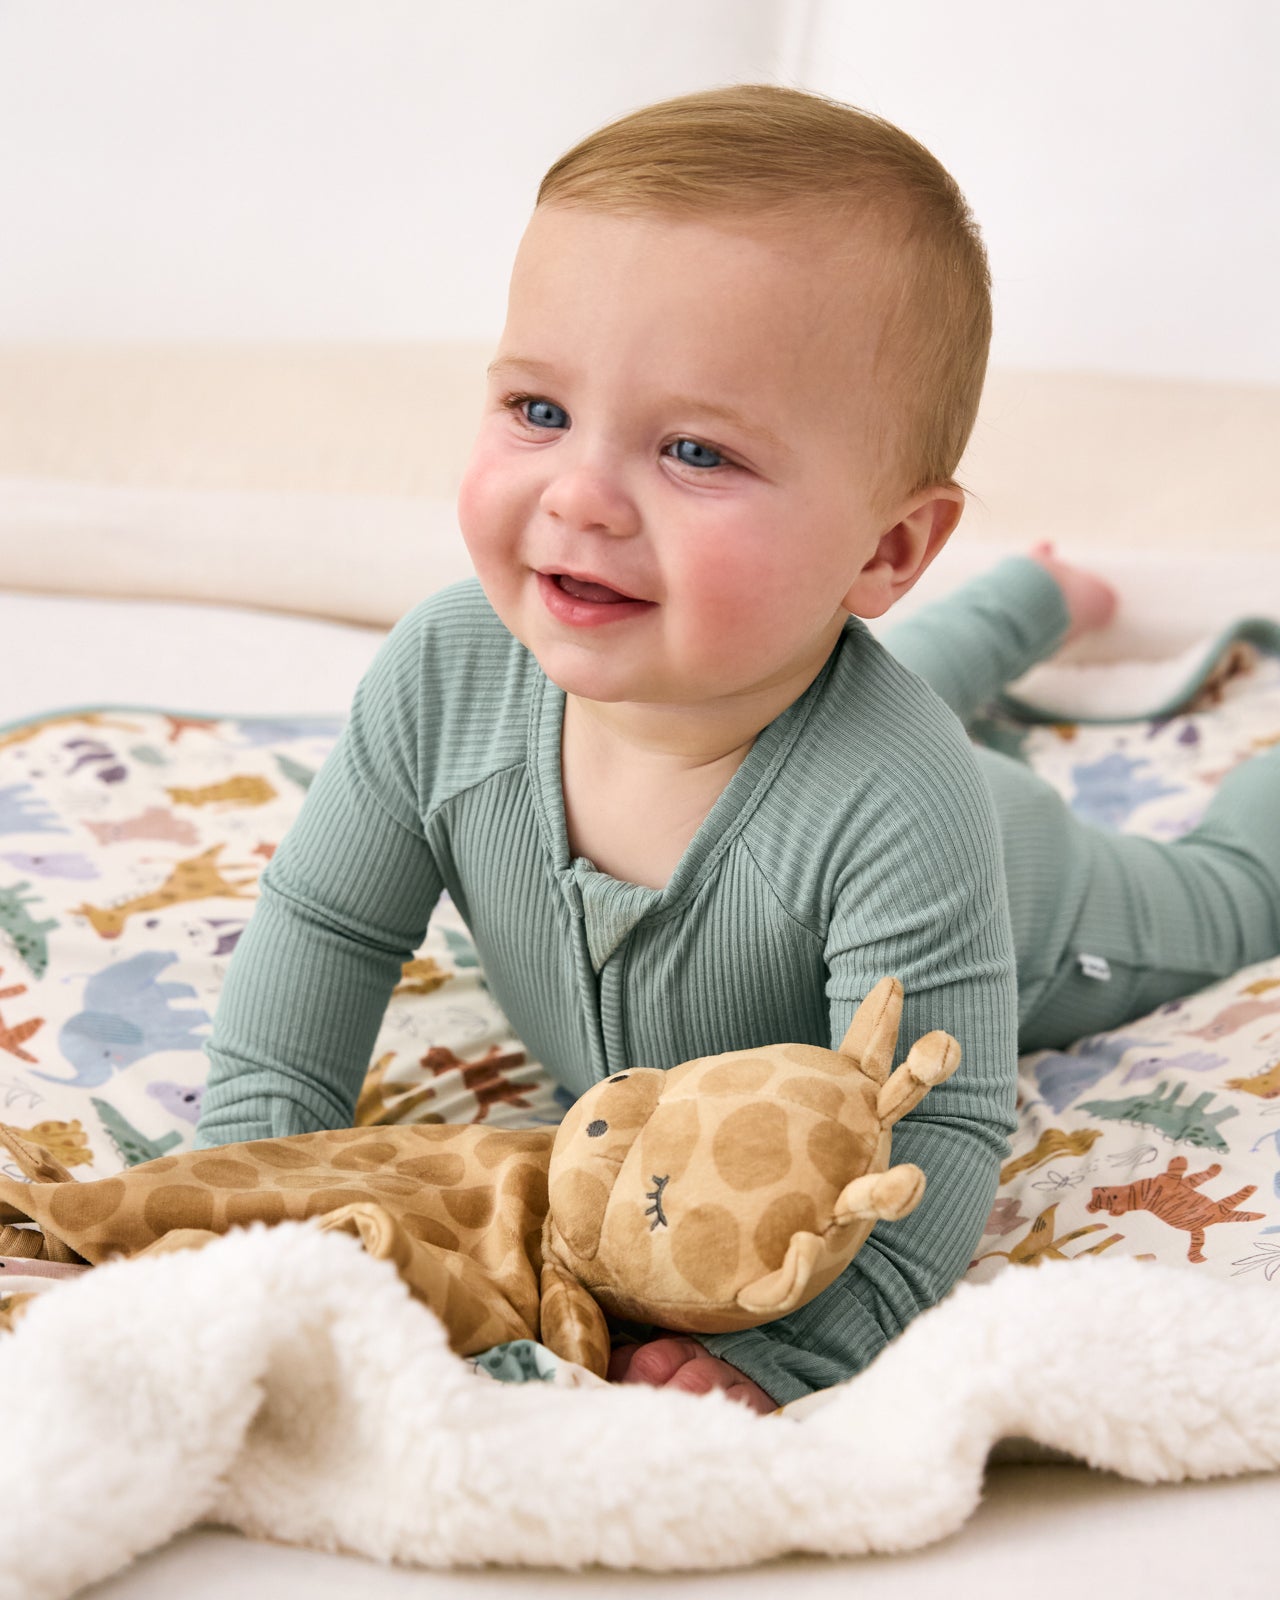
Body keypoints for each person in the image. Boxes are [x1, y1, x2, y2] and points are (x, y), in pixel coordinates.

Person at [193, 85, 1280, 1414]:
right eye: (539, 410)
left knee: (1234, 891)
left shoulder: (900, 799)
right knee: (789, 652)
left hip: (1026, 892)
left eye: (695, 451)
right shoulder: (442, 673)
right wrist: (238, 1195)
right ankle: (1032, 599)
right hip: (795, 684)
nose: (580, 495)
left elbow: (936, 1127)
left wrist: (797, 1350)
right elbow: (323, 928)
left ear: (888, 548)